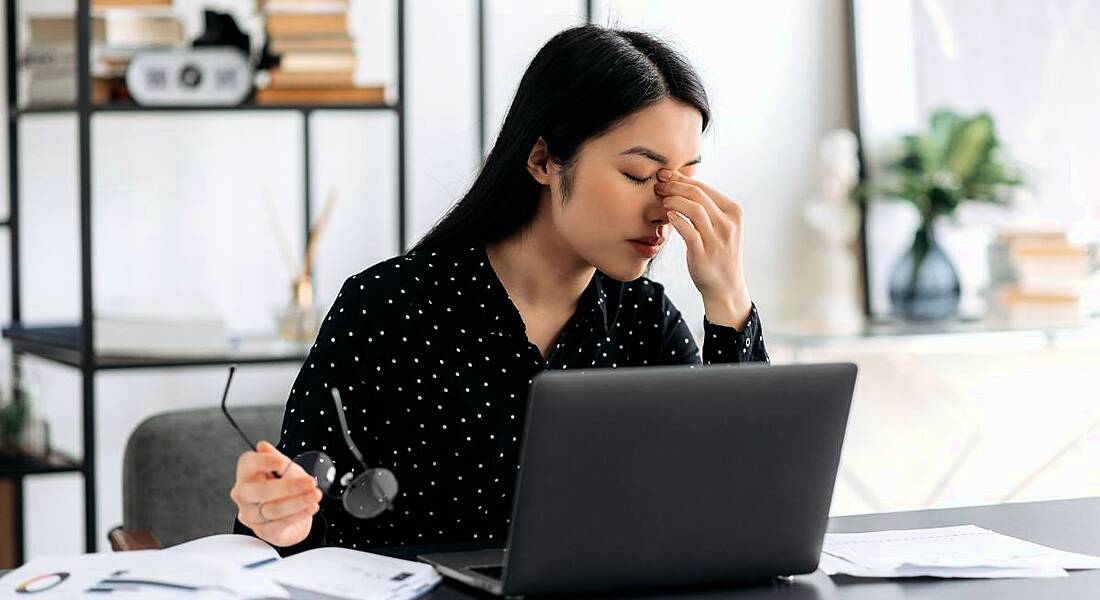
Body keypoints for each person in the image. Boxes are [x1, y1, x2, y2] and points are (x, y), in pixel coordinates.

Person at [230, 23, 769, 555]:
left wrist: (728, 305)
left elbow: (741, 509)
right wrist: (274, 515)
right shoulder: (387, 308)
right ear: (542, 160)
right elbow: (291, 523)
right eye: (637, 175)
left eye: (683, 179)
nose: (665, 210)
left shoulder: (645, 322)